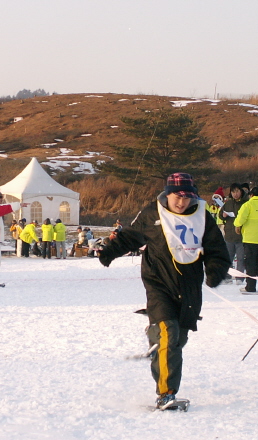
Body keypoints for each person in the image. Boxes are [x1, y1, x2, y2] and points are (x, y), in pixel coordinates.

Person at [98, 172, 231, 410]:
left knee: (177, 340)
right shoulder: (152, 213)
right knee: (169, 334)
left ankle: (154, 336)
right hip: (158, 282)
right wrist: (110, 251)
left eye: (186, 197)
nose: (181, 202)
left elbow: (216, 249)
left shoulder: (203, 216)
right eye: (176, 197)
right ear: (167, 194)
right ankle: (166, 394)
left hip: (189, 287)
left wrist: (216, 271)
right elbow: (130, 236)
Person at [220, 183, 248, 284]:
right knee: (228, 258)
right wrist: (223, 215)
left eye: (237, 191)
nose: (235, 194)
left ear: (241, 192)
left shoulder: (246, 203)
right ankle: (227, 277)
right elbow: (221, 215)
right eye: (233, 192)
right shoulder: (228, 203)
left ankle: (239, 278)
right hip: (229, 235)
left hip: (241, 236)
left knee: (240, 258)